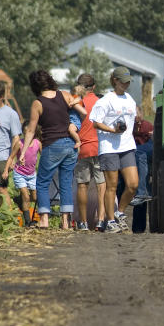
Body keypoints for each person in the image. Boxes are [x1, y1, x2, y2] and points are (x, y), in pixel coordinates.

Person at [19, 70, 87, 230]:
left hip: (53, 144)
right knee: (65, 183)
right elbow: (83, 111)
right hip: (70, 145)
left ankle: (44, 220)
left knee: (42, 182)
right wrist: (74, 126)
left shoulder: (38, 103)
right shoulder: (63, 94)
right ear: (50, 80)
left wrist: (23, 152)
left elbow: (30, 130)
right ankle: (65, 222)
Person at [89, 66, 139, 233]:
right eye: (123, 82)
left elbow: (133, 115)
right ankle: (110, 221)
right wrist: (112, 130)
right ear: (115, 81)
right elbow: (95, 122)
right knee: (112, 186)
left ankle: (120, 211)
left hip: (127, 145)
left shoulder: (129, 98)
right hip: (109, 147)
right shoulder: (105, 100)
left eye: (128, 82)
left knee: (133, 184)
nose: (126, 85)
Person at [73, 74, 106, 231]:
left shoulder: (76, 102)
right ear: (94, 87)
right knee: (101, 186)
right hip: (99, 148)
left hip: (82, 148)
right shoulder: (101, 102)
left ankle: (83, 222)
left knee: (82, 185)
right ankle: (100, 220)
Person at [2, 120, 42, 227]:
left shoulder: (38, 144)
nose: (27, 134)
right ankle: (28, 222)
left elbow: (43, 158)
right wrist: (6, 170)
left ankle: (18, 200)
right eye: (25, 132)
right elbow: (11, 157)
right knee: (26, 196)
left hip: (32, 174)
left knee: (34, 197)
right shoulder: (19, 143)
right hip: (20, 173)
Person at [130, 106, 154, 206]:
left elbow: (152, 136)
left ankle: (142, 192)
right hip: (135, 148)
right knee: (139, 157)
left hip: (147, 146)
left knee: (140, 154)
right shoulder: (130, 126)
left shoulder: (147, 125)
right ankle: (143, 191)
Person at [68, 85, 86, 150]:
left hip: (75, 120)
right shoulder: (79, 99)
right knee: (70, 130)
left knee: (71, 130)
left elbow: (77, 100)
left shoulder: (78, 99)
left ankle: (78, 141)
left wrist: (71, 103)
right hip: (73, 119)